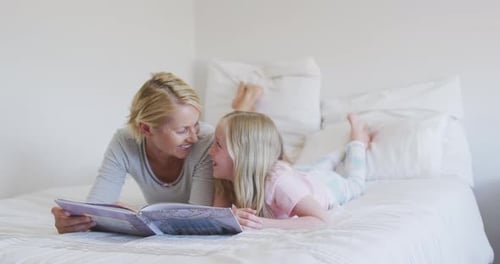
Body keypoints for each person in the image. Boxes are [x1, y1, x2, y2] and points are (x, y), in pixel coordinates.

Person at [51, 72, 253, 234]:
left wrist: (135, 213)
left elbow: (196, 215)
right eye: (182, 130)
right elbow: (96, 207)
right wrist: (75, 221)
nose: (193, 137)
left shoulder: (205, 141)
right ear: (146, 129)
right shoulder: (124, 141)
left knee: (239, 135)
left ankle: (243, 106)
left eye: (195, 125)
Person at [209, 109, 372, 230]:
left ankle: (357, 141)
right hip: (302, 176)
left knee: (355, 184)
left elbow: (322, 220)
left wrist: (262, 224)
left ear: (242, 155)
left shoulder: (279, 184)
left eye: (218, 145)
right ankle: (338, 153)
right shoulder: (224, 180)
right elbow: (218, 218)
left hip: (324, 187)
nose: (209, 152)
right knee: (318, 167)